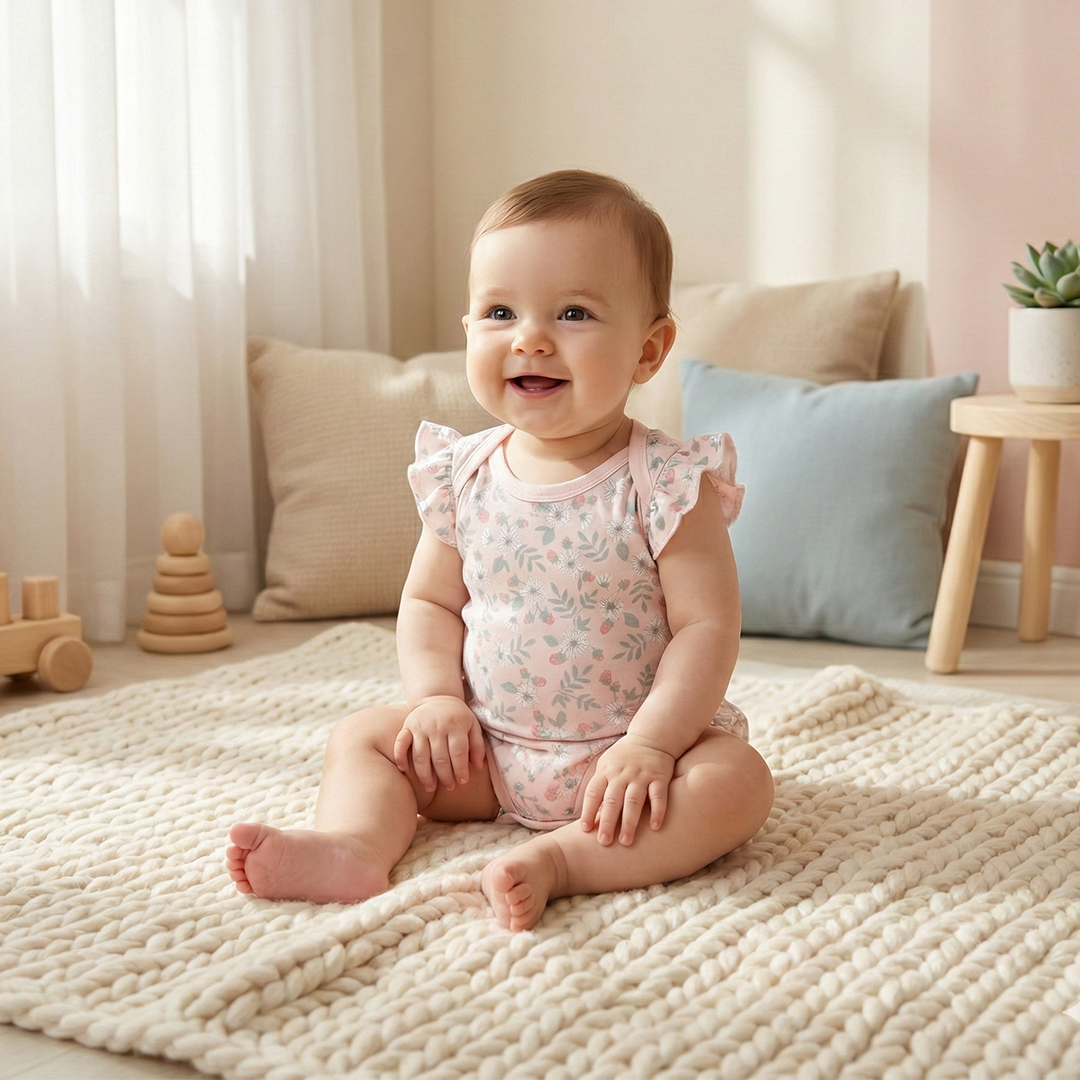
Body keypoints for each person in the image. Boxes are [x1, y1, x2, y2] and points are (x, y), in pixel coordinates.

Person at [226, 170, 774, 931]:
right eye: (500, 311)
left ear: (649, 350)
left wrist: (652, 746)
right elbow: (429, 602)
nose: (531, 337)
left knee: (737, 782)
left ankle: (567, 859)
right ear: (469, 329)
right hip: (485, 751)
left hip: (633, 762)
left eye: (574, 312)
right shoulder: (464, 475)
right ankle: (352, 844)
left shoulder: (667, 483)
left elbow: (705, 630)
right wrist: (436, 700)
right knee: (363, 737)